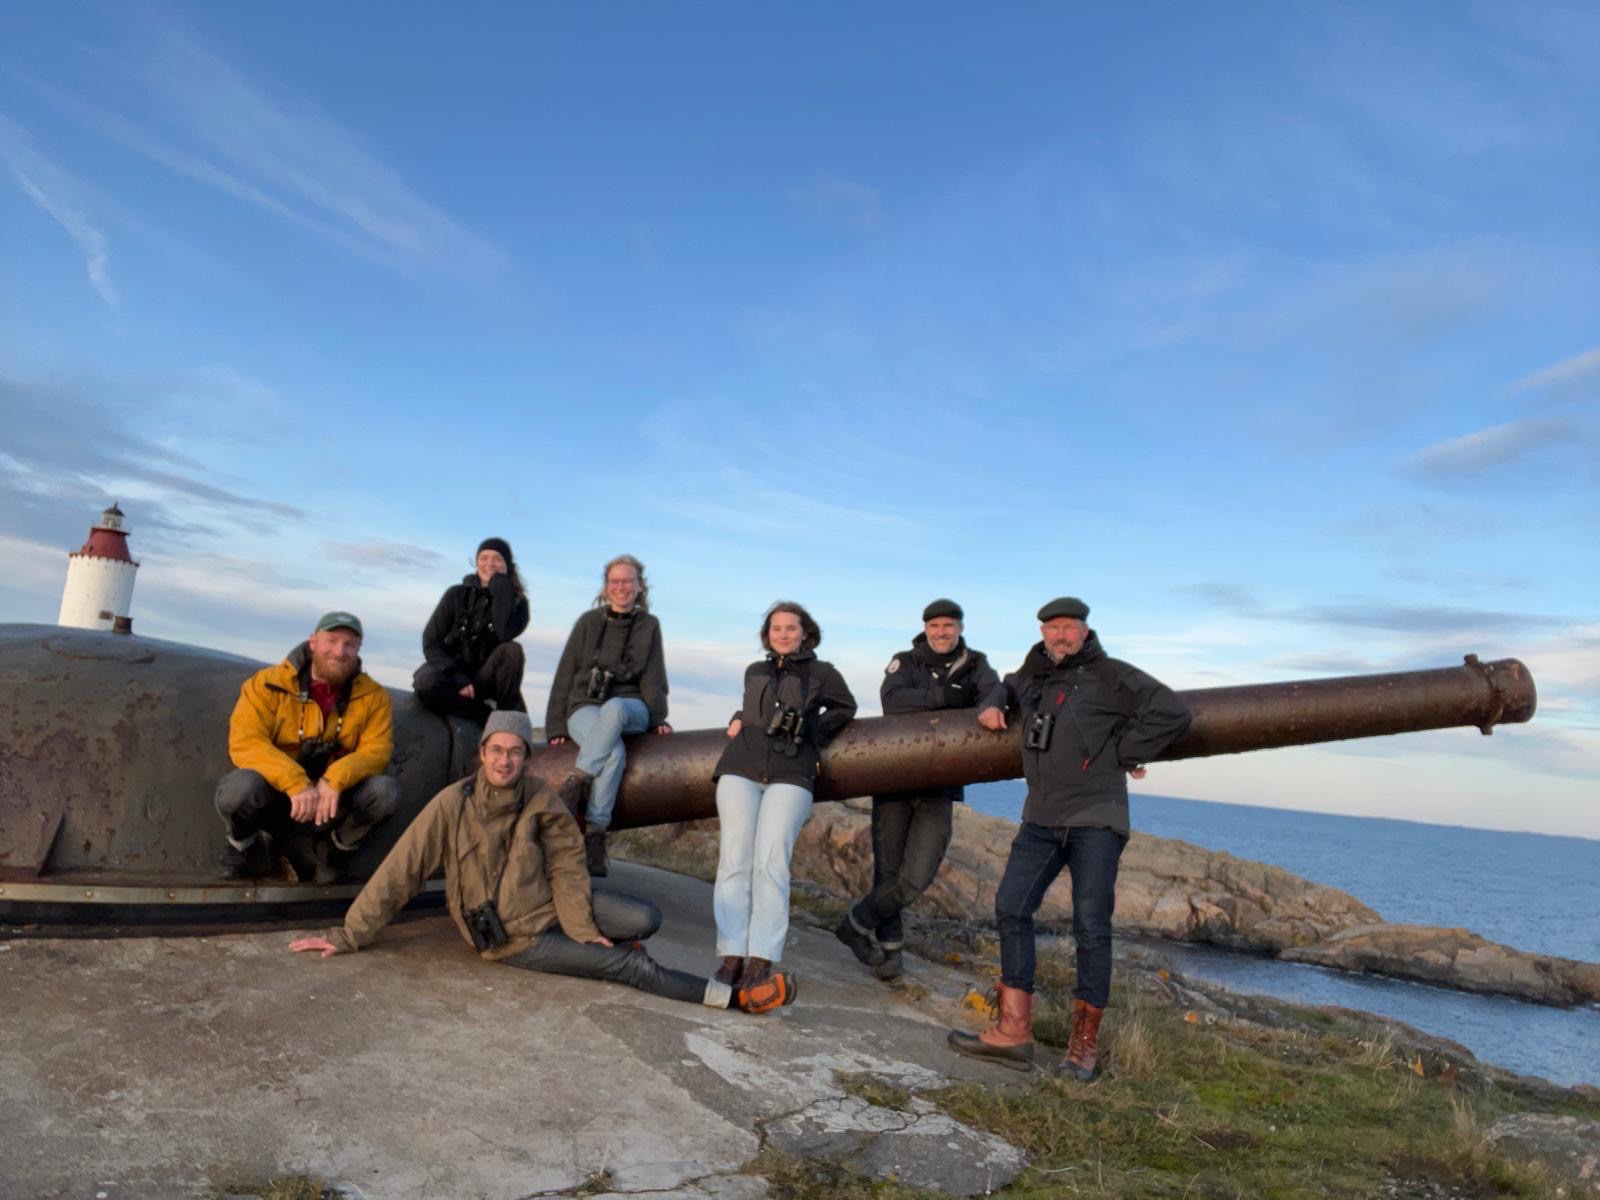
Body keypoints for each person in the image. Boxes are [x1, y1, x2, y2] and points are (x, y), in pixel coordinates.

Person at [288, 711, 795, 1015]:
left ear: (524, 757)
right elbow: (401, 870)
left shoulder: (540, 798)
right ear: (482, 754)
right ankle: (733, 1000)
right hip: (511, 936)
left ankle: (591, 942)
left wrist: (579, 926)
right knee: (630, 965)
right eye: (496, 751)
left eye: (514, 752)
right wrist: (348, 934)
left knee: (645, 918)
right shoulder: (452, 803)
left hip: (550, 906)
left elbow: (568, 863)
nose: (504, 761)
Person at [948, 597, 1191, 1079]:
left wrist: (1125, 751)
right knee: (1012, 907)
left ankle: (1083, 1047)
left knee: (1090, 927)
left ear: (1084, 630)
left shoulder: (1112, 675)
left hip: (1096, 819)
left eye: (1068, 628)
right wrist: (995, 701)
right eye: (1052, 628)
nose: (1059, 636)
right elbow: (1007, 686)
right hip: (1041, 816)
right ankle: (1014, 1031)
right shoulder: (1034, 673)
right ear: (1043, 632)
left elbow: (1172, 712)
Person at [833, 598, 998, 982]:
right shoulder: (905, 662)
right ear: (926, 629)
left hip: (939, 786)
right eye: (935, 626)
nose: (942, 633)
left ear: (959, 628)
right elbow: (892, 702)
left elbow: (993, 693)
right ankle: (892, 953)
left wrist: (990, 704)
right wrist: (945, 699)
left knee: (917, 875)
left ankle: (855, 924)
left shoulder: (976, 665)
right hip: (894, 780)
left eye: (949, 626)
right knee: (888, 872)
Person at [711, 601, 857, 1004]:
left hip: (791, 772)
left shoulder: (823, 673)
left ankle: (761, 958)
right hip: (741, 766)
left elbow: (846, 707)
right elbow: (752, 707)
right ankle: (731, 954)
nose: (783, 634)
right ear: (767, 634)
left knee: (771, 864)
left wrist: (812, 731)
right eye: (776, 628)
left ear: (805, 632)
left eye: (791, 628)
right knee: (733, 863)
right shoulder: (755, 671)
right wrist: (738, 715)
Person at [216, 611, 400, 883]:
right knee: (239, 789)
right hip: (276, 792)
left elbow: (377, 750)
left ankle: (335, 851)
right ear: (313, 642)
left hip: (329, 801)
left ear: (358, 649)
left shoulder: (373, 697)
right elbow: (246, 742)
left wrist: (334, 780)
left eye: (349, 644)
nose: (340, 651)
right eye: (332, 640)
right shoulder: (267, 684)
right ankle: (244, 846)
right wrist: (295, 782)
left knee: (384, 792)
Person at [545, 554, 671, 878]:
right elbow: (566, 672)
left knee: (615, 710)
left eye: (628, 581)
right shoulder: (588, 622)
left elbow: (654, 676)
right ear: (605, 587)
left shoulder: (649, 625)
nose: (621, 587)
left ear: (640, 586)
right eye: (615, 581)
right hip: (585, 704)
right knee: (612, 754)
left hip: (630, 708)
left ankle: (577, 781)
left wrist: (658, 718)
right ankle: (596, 835)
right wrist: (556, 725)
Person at [413, 537, 530, 726]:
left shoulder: (518, 604)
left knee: (512, 650)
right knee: (426, 683)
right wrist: (457, 676)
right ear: (476, 562)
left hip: (486, 678)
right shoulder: (456, 594)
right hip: (452, 673)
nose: (489, 564)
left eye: (497, 559)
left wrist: (501, 590)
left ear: (507, 564)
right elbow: (431, 641)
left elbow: (504, 634)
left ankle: (507, 714)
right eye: (484, 558)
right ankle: (484, 716)